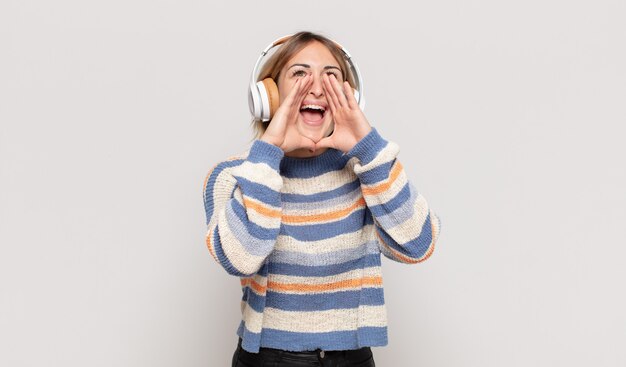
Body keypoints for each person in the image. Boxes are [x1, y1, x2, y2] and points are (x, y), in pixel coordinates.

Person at [202, 31, 442, 367]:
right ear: (268, 96)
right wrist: (267, 155)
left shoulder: (366, 169)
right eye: (299, 74)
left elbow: (419, 244)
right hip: (269, 360)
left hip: (352, 359)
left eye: (331, 76)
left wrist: (368, 148)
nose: (316, 87)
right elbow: (240, 258)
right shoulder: (235, 174)